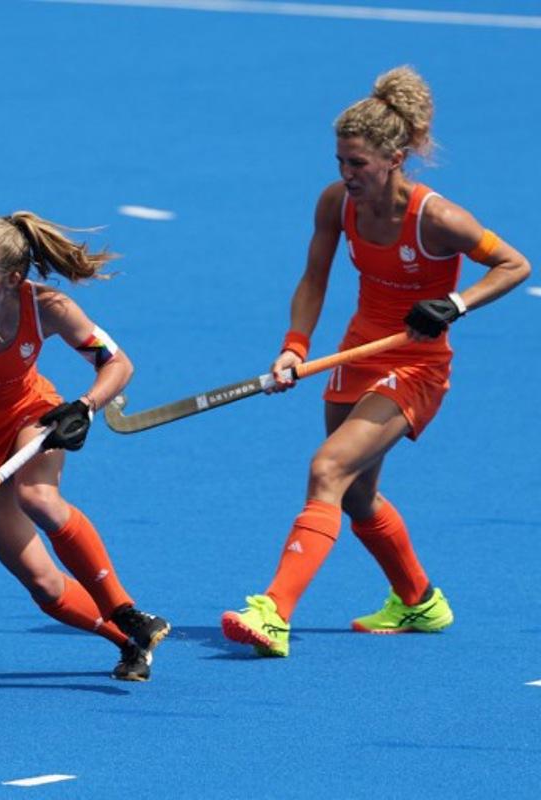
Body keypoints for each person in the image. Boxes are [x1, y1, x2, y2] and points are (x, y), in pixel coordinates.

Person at [221, 66, 531, 657]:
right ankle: (419, 602)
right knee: (357, 495)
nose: (346, 174)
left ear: (394, 157)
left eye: (357, 163)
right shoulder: (337, 203)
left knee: (327, 470)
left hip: (417, 366)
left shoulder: (438, 218)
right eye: (340, 161)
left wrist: (456, 302)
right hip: (356, 352)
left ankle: (273, 612)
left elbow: (516, 264)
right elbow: (314, 278)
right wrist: (294, 346)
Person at [0, 211, 170, 681]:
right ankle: (128, 640)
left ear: (12, 280)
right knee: (42, 582)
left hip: (30, 414)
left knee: (38, 497)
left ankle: (125, 608)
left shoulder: (48, 307)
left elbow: (117, 364)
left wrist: (86, 407)